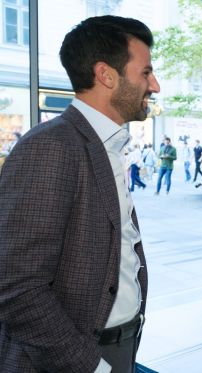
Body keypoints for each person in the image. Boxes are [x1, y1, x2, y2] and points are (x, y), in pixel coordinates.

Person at [0, 15, 160, 373]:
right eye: (146, 72)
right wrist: (92, 367)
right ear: (106, 75)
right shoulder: (49, 147)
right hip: (74, 361)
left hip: (117, 349)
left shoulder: (107, 146)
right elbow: (17, 289)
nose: (155, 85)